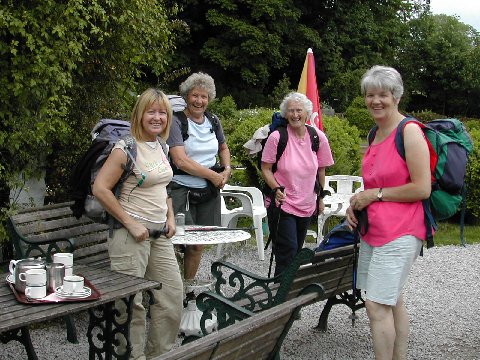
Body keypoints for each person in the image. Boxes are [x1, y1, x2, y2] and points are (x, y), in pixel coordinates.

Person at [345, 65, 431, 360]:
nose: (376, 100)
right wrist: (356, 203)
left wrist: (376, 195)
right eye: (371, 95)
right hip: (374, 232)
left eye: (383, 94)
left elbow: (422, 188)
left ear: (396, 96)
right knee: (391, 300)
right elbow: (374, 185)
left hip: (401, 232)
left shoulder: (409, 131)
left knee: (376, 305)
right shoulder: (375, 133)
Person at [92, 88, 183, 359]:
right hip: (129, 235)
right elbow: (101, 189)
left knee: (171, 298)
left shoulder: (161, 146)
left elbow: (164, 189)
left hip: (160, 234)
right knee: (131, 306)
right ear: (139, 114)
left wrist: (169, 218)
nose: (157, 117)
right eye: (151, 111)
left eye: (163, 112)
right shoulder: (126, 148)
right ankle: (131, 357)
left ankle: (160, 355)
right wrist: (130, 223)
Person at [167, 72, 232, 284]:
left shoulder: (213, 121)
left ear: (209, 99)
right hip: (180, 190)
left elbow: (223, 147)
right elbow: (180, 160)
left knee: (198, 243)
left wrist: (227, 169)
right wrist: (213, 176)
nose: (199, 101)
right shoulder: (176, 122)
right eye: (195, 95)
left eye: (204, 96)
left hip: (208, 192)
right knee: (175, 241)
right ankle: (169, 290)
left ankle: (188, 289)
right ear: (186, 96)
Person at [261, 92, 334, 276]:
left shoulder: (318, 137)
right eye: (291, 111)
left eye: (299, 110)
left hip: (307, 204)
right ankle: (281, 296)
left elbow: (321, 170)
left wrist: (320, 198)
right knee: (287, 252)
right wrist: (275, 188)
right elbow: (266, 168)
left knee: (297, 252)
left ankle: (288, 292)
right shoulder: (277, 137)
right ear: (286, 114)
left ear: (307, 113)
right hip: (282, 204)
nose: (295, 115)